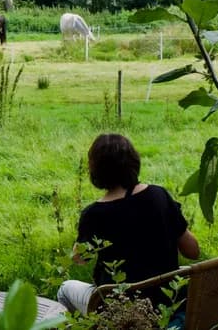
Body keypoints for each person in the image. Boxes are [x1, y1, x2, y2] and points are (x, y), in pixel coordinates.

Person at [57, 133, 200, 316]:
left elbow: (80, 259)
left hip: (117, 308)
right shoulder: (159, 196)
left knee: (64, 289)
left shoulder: (94, 214)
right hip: (167, 303)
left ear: (95, 170)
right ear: (133, 162)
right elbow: (193, 251)